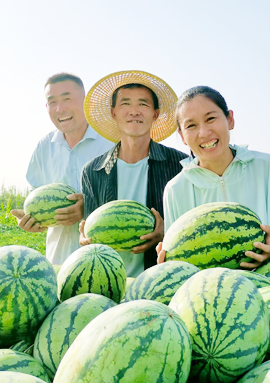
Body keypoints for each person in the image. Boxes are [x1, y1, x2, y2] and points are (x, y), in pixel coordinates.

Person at [158, 86, 270, 268]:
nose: (204, 133)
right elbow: (179, 261)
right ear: (182, 135)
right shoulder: (175, 189)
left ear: (230, 120)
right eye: (191, 125)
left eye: (210, 119)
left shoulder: (266, 167)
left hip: (269, 290)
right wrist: (170, 265)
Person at [79, 70, 188, 277]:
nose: (134, 111)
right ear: (113, 113)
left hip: (161, 280)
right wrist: (86, 240)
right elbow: (90, 236)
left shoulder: (180, 165)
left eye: (143, 104)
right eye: (125, 104)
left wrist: (168, 232)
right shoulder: (92, 171)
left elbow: (190, 228)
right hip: (110, 283)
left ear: (155, 114)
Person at [11, 73, 114, 265]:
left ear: (86, 102)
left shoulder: (112, 143)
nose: (60, 108)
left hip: (106, 261)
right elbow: (36, 197)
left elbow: (128, 198)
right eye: (52, 102)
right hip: (59, 261)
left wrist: (89, 207)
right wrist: (32, 219)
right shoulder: (44, 147)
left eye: (67, 99)